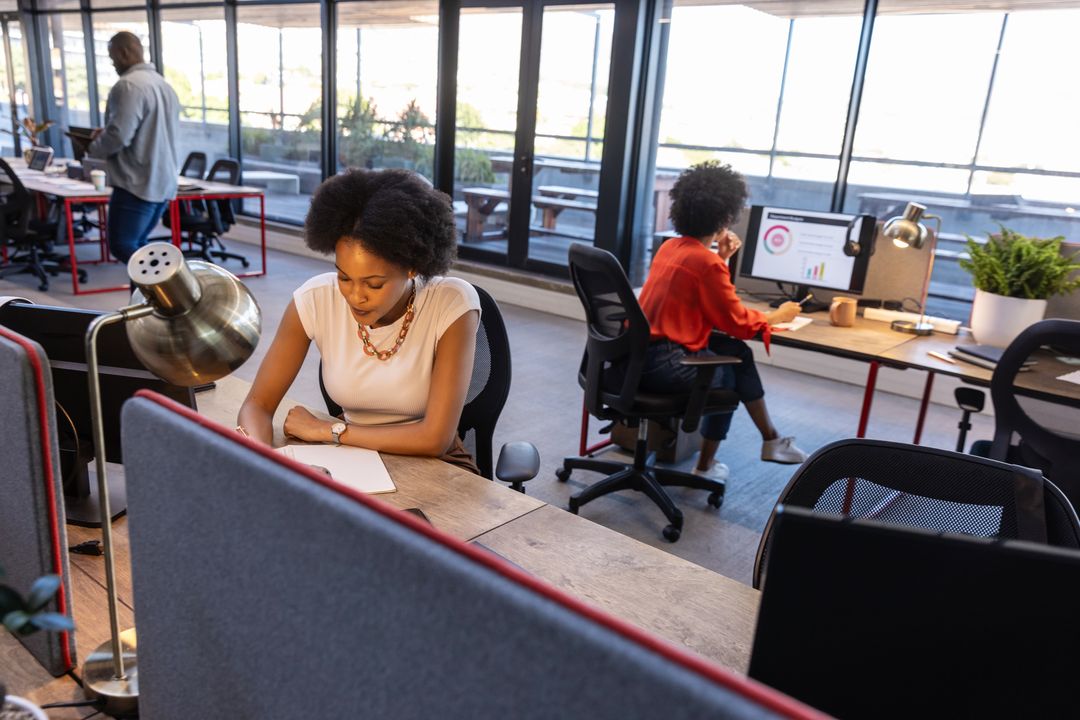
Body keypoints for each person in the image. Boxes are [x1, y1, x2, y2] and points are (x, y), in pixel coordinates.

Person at [237, 168, 482, 473]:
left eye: (374, 284)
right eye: (344, 277)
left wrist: (328, 431)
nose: (355, 296)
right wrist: (263, 462)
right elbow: (257, 405)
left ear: (412, 267)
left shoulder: (451, 303)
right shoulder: (314, 299)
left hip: (435, 464)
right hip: (352, 457)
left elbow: (435, 439)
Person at [637, 160, 809, 480]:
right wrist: (778, 315)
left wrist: (722, 258)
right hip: (666, 367)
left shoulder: (670, 248)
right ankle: (709, 465)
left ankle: (769, 440)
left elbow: (705, 297)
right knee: (733, 372)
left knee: (734, 352)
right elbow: (737, 323)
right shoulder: (706, 263)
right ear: (725, 217)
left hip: (637, 359)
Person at [86, 31, 179, 263]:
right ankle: (155, 285)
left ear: (124, 53)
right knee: (138, 245)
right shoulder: (163, 85)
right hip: (162, 181)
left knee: (123, 245)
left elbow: (119, 136)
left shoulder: (128, 85)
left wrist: (92, 148)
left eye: (112, 57)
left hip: (136, 182)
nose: (113, 64)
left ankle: (171, 280)